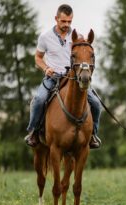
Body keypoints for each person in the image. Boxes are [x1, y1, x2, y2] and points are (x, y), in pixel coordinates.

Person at [24, 4, 102, 149]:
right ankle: (33, 132)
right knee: (39, 100)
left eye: (69, 22)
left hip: (73, 79)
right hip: (52, 78)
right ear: (56, 19)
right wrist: (46, 68)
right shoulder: (45, 37)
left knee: (96, 103)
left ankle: (92, 135)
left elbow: (84, 55)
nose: (67, 25)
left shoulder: (77, 38)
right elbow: (38, 58)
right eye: (63, 21)